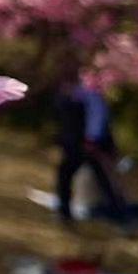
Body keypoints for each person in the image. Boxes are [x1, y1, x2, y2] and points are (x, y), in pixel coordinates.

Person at [53, 69, 128, 226]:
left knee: (104, 179)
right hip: (77, 145)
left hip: (89, 145)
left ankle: (120, 215)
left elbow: (97, 117)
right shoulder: (71, 95)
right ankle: (65, 212)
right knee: (68, 176)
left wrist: (92, 140)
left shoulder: (88, 94)